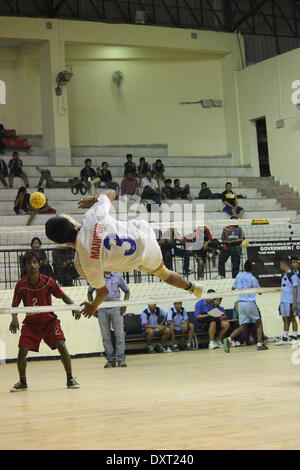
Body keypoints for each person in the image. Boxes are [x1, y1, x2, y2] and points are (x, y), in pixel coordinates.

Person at [45, 190, 202, 319]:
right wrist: (94, 199)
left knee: (163, 273)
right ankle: (190, 286)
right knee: (162, 271)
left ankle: (192, 287)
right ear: (72, 223)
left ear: (63, 244)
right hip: (142, 231)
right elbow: (111, 193)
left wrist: (93, 306)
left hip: (141, 256)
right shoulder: (91, 217)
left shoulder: (84, 263)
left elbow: (103, 292)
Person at [9, 251, 80, 392]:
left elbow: (62, 296)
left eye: (34, 262)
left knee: (61, 344)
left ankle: (70, 378)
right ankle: (22, 382)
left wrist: (74, 306)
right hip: (30, 324)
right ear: (25, 266)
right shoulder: (21, 285)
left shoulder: (48, 281)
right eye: (29, 263)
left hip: (49, 322)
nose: (32, 265)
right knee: (22, 351)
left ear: (39, 264)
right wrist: (14, 318)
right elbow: (14, 305)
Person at [223, 260, 269, 352]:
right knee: (259, 323)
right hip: (249, 303)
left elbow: (233, 287)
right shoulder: (253, 278)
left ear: (244, 267)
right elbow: (259, 292)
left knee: (243, 326)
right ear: (252, 268)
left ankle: (228, 339)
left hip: (240, 303)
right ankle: (260, 343)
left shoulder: (239, 275)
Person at [88, 272, 130, 368]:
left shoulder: (117, 276)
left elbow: (127, 291)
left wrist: (124, 304)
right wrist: (92, 307)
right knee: (105, 336)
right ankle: (110, 360)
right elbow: (89, 292)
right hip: (102, 308)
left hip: (116, 307)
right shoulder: (97, 277)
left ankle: (120, 359)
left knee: (119, 335)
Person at [275, 258, 299, 346]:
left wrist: (295, 302)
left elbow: (296, 288)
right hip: (283, 300)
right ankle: (285, 338)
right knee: (285, 318)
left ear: (284, 265)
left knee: (292, 318)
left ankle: (295, 338)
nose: (280, 266)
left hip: (290, 300)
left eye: (281, 264)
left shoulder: (292, 275)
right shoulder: (284, 274)